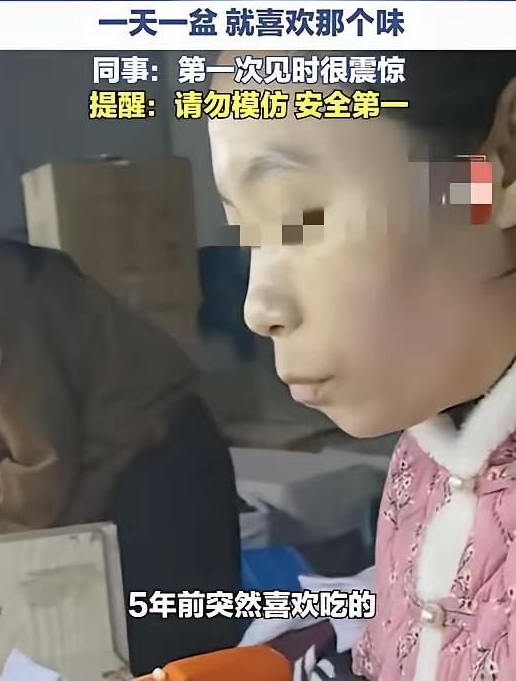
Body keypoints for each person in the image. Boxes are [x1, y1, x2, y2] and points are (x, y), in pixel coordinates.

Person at [208, 51, 516, 679]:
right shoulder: (421, 457)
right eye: (248, 232)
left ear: (497, 166)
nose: (257, 309)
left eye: (298, 218)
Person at [0, 238, 242, 670]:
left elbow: (40, 477)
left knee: (178, 651)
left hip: (157, 471)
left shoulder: (2, 298)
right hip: (96, 473)